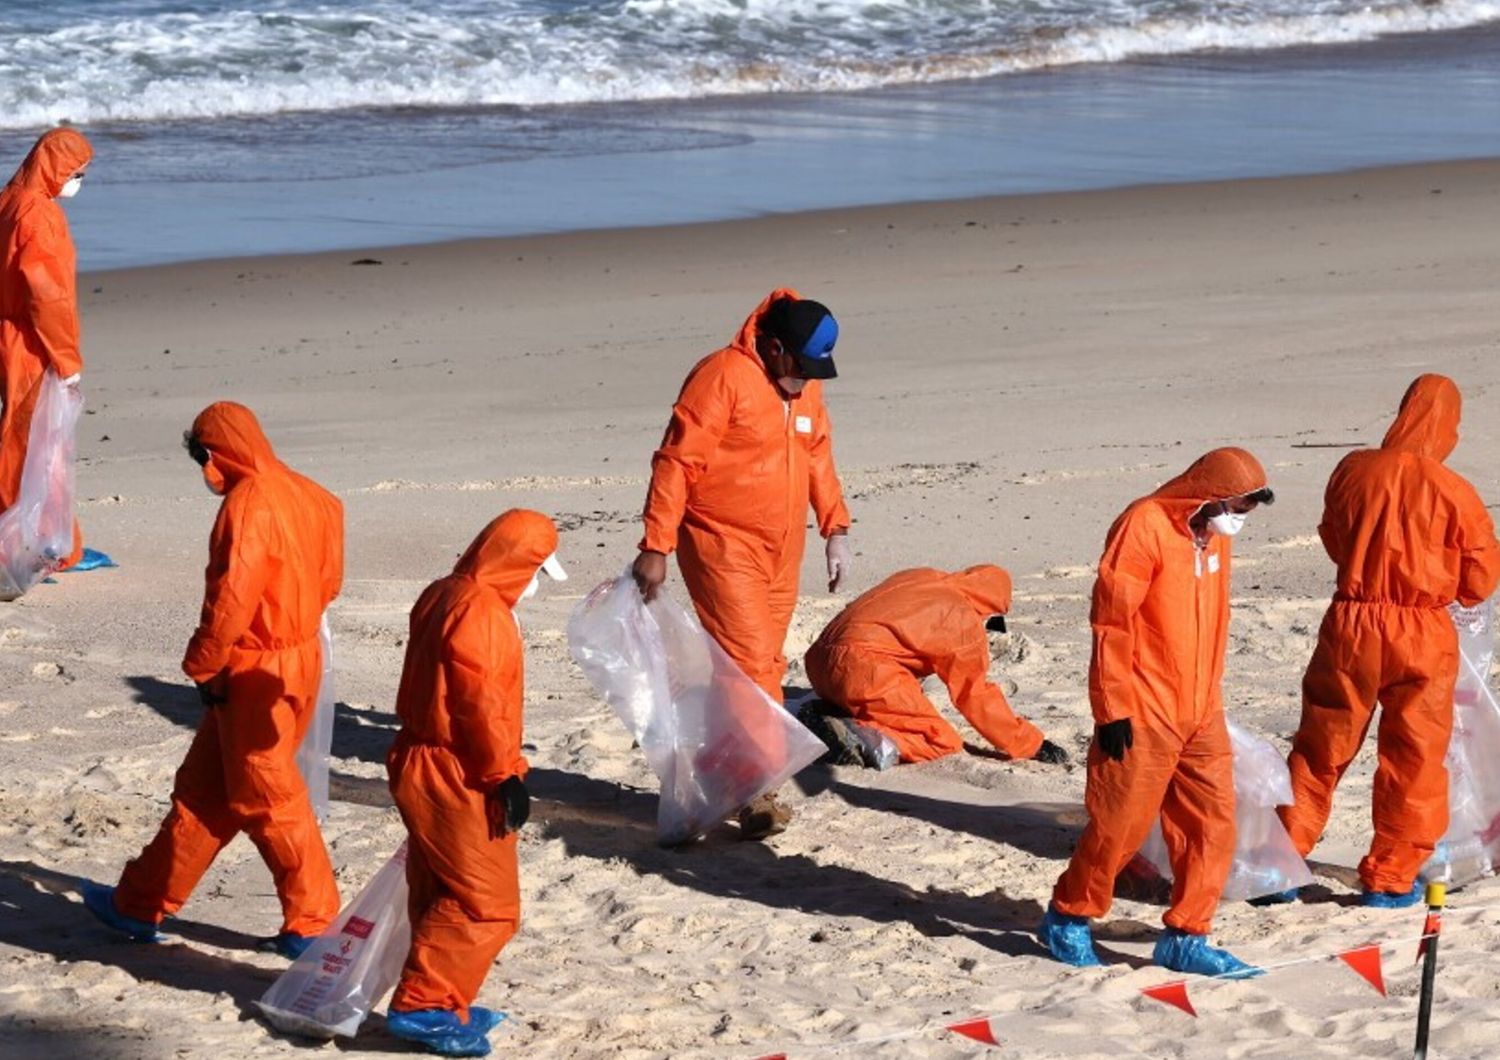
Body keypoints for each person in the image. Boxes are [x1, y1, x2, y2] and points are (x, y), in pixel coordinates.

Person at [83, 402, 343, 957]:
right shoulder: (312, 493)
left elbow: (231, 599)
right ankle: (139, 901)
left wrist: (204, 665)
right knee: (205, 793)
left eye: (202, 457)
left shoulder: (249, 505)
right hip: (299, 657)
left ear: (215, 453)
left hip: (255, 666)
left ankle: (314, 919)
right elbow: (330, 580)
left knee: (268, 795)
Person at [1039, 448, 1273, 977]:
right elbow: (1112, 623)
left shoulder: (1210, 536)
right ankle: (1068, 916)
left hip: (1200, 707)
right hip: (1143, 707)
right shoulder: (1144, 524)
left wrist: (1211, 695)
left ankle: (1188, 934)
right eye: (1235, 505)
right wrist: (1112, 705)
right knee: (1120, 825)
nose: (1239, 517)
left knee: (1213, 824)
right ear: (1207, 494)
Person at [632, 288, 851, 839]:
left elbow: (817, 451)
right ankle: (757, 788)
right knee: (752, 663)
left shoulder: (805, 387)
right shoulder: (721, 377)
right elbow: (676, 464)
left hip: (783, 548)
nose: (807, 380)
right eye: (801, 367)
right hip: (720, 543)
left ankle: (727, 766)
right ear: (774, 349)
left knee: (762, 665)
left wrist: (835, 528)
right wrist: (656, 545)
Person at [1275, 375, 1500, 908]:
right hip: (1420, 631)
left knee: (1320, 749)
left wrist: (1367, 574)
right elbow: (1479, 581)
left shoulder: (1352, 469)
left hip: (1351, 623)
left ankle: (1279, 860)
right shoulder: (1453, 491)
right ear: (1447, 426)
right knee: (1415, 759)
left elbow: (1333, 535)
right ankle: (1390, 876)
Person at [384, 509, 565, 1058]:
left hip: (419, 755)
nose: (536, 582)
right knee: (487, 903)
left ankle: (446, 997)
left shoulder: (443, 591)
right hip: (457, 768)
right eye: (536, 568)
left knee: (440, 885)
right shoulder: (483, 613)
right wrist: (501, 776)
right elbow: (479, 703)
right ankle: (425, 1004)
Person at [802, 564, 1068, 767]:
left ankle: (830, 715)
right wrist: (1031, 744)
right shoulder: (963, 619)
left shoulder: (920, 577)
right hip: (862, 669)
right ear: (990, 609)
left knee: (894, 696)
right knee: (941, 741)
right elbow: (974, 696)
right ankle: (856, 736)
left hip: (818, 662)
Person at [0, 128, 100, 571]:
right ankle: (46, 546)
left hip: (7, 333)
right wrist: (67, 360)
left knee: (19, 437)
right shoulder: (39, 215)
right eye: (76, 172)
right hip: (30, 342)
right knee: (36, 443)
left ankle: (42, 541)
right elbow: (48, 297)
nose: (78, 181)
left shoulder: (8, 200)